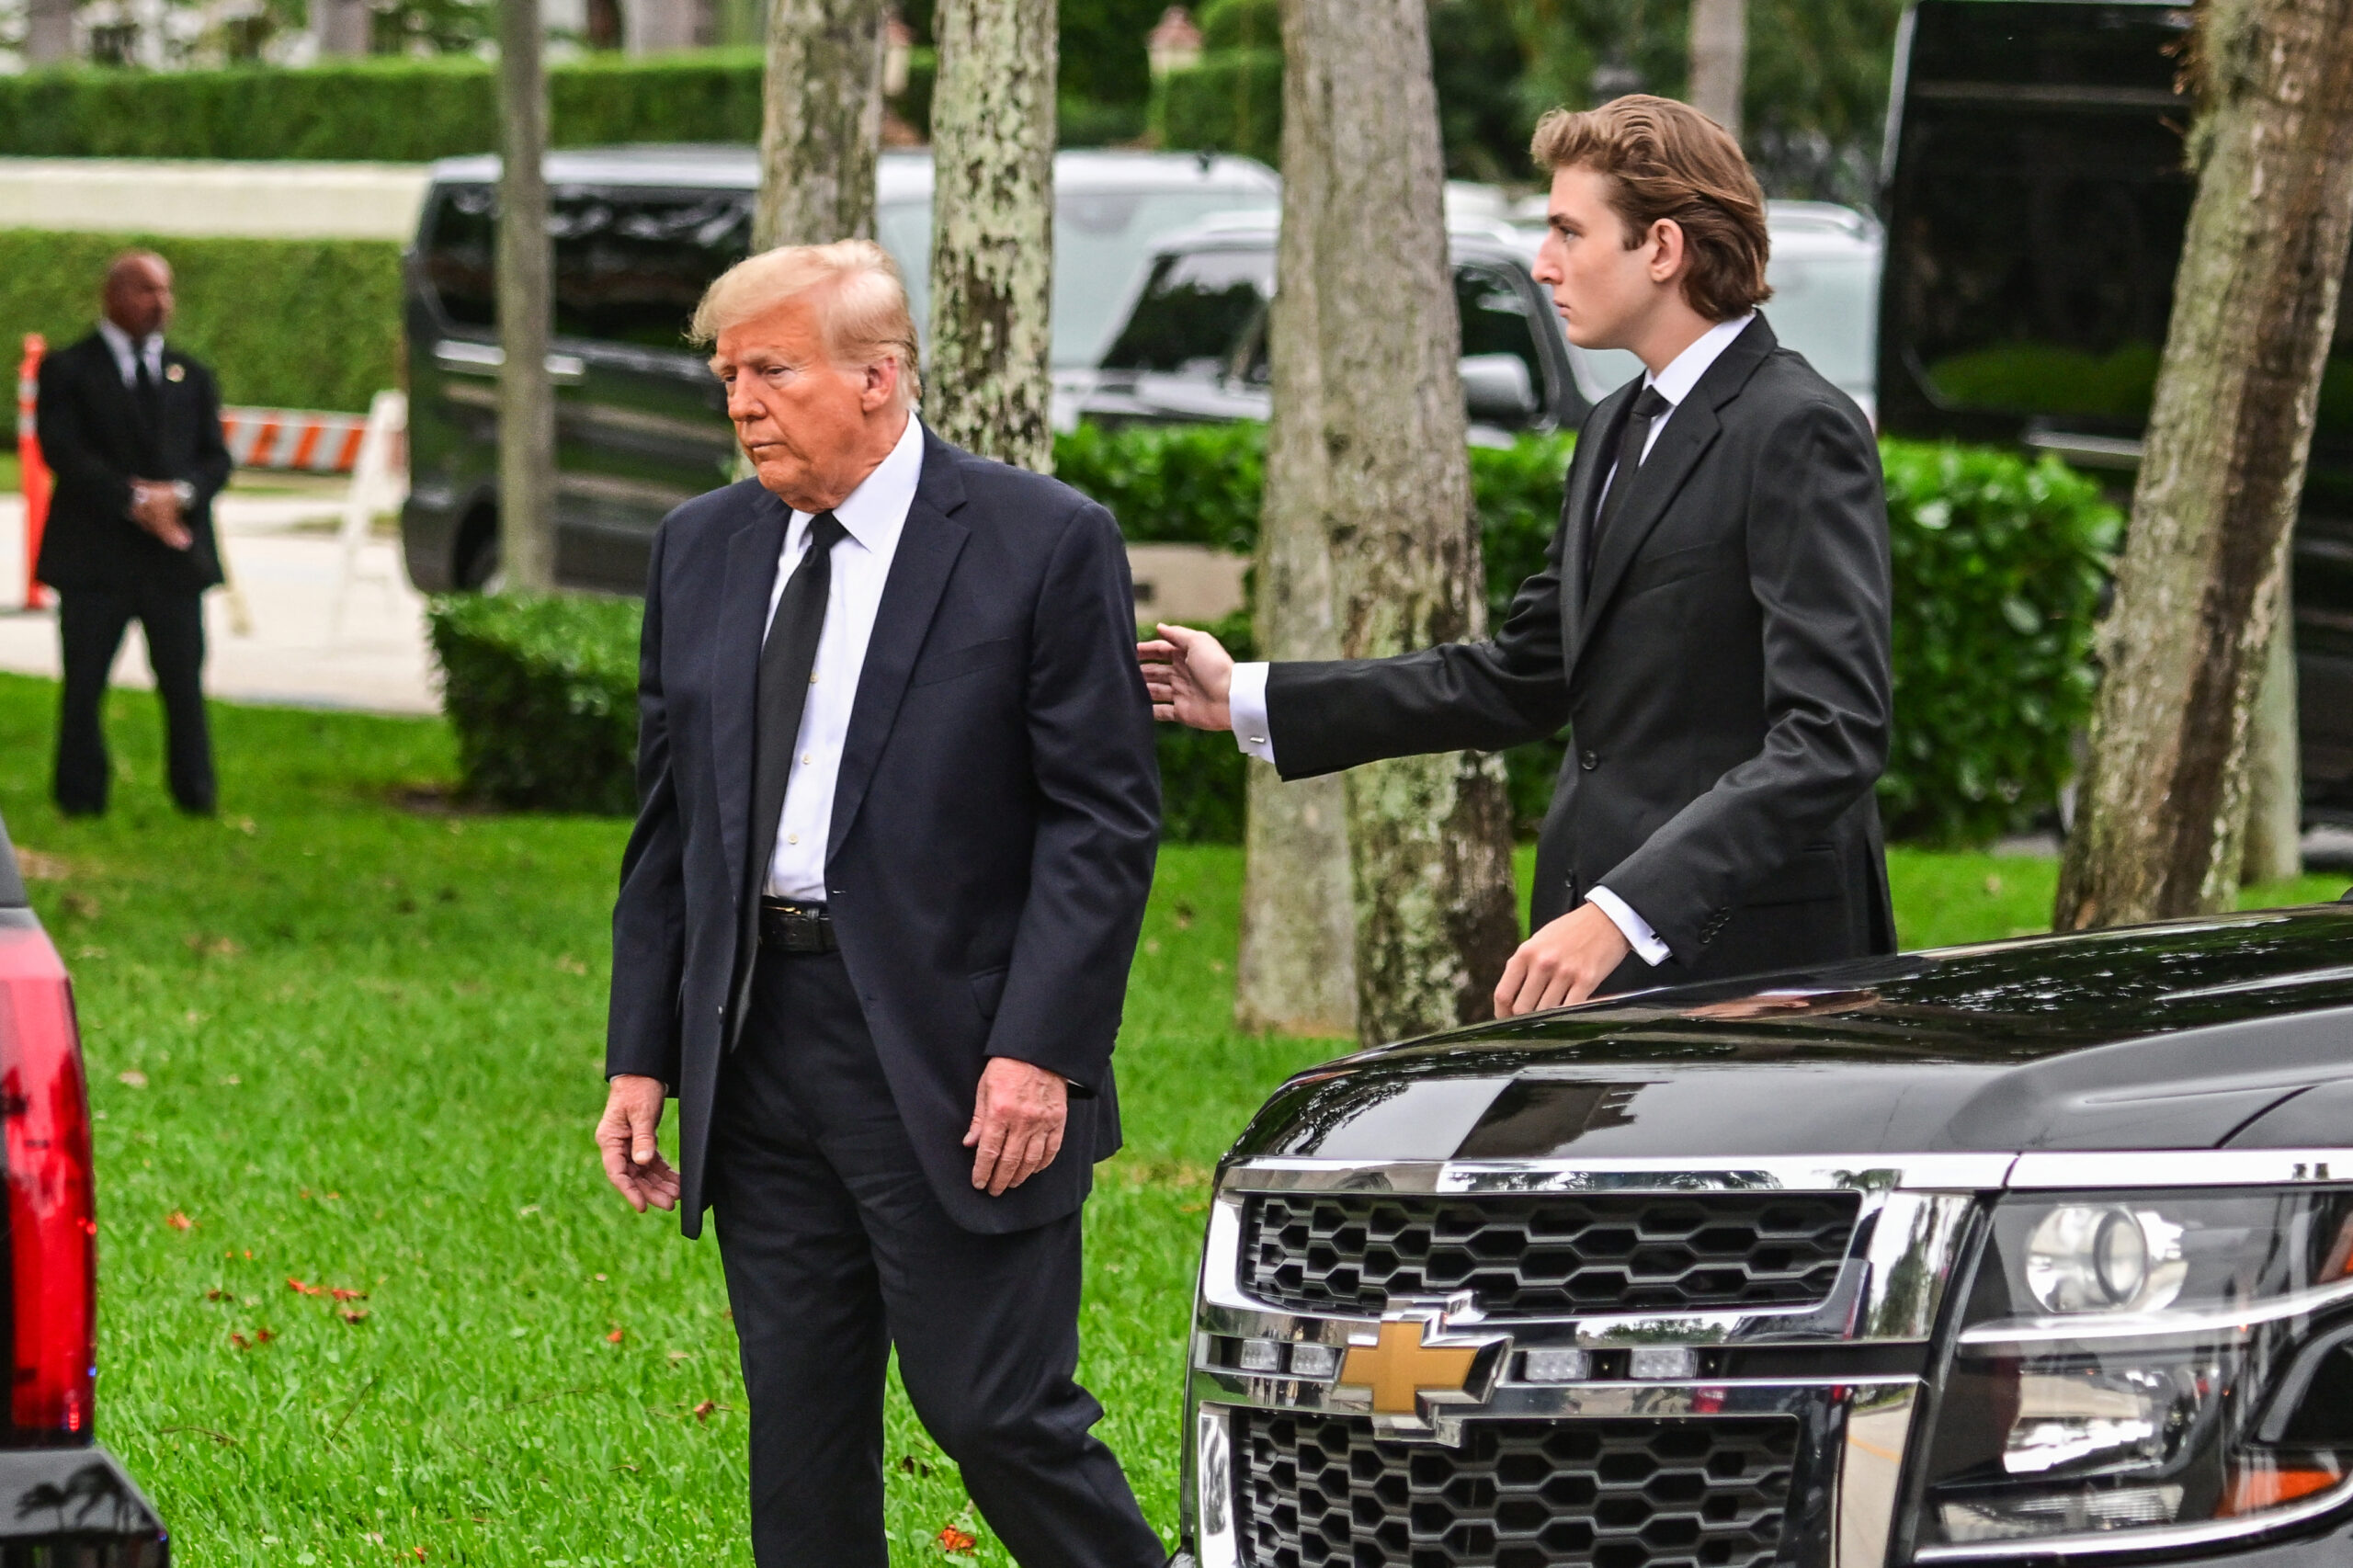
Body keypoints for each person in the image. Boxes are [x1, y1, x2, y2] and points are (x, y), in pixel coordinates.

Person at [594, 241, 1165, 1568]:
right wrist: (642, 1053)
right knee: (798, 1430)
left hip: (958, 1054)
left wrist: (1043, 1053)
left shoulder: (1041, 539)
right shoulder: (701, 546)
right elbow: (669, 826)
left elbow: (1105, 819)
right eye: (728, 373)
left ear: (877, 377)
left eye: (770, 371)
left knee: (996, 1410)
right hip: (758, 1041)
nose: (740, 402)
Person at [1142, 95, 1894, 1014]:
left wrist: (1624, 910)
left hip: (1752, 965)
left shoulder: (1799, 428)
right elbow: (1519, 676)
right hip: (1589, 947)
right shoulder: (1614, 425)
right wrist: (1248, 697)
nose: (1543, 265)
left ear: (1661, 248)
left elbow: (1831, 734)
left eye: (1568, 233)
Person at [36, 250, 233, 817]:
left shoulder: (190, 376)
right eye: (147, 290)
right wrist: (133, 499)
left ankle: (196, 795)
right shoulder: (69, 370)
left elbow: (215, 460)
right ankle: (80, 796)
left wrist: (182, 495)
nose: (161, 303)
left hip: (172, 563)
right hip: (96, 559)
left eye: (166, 291)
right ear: (114, 295)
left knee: (183, 683)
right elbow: (64, 451)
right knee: (84, 685)